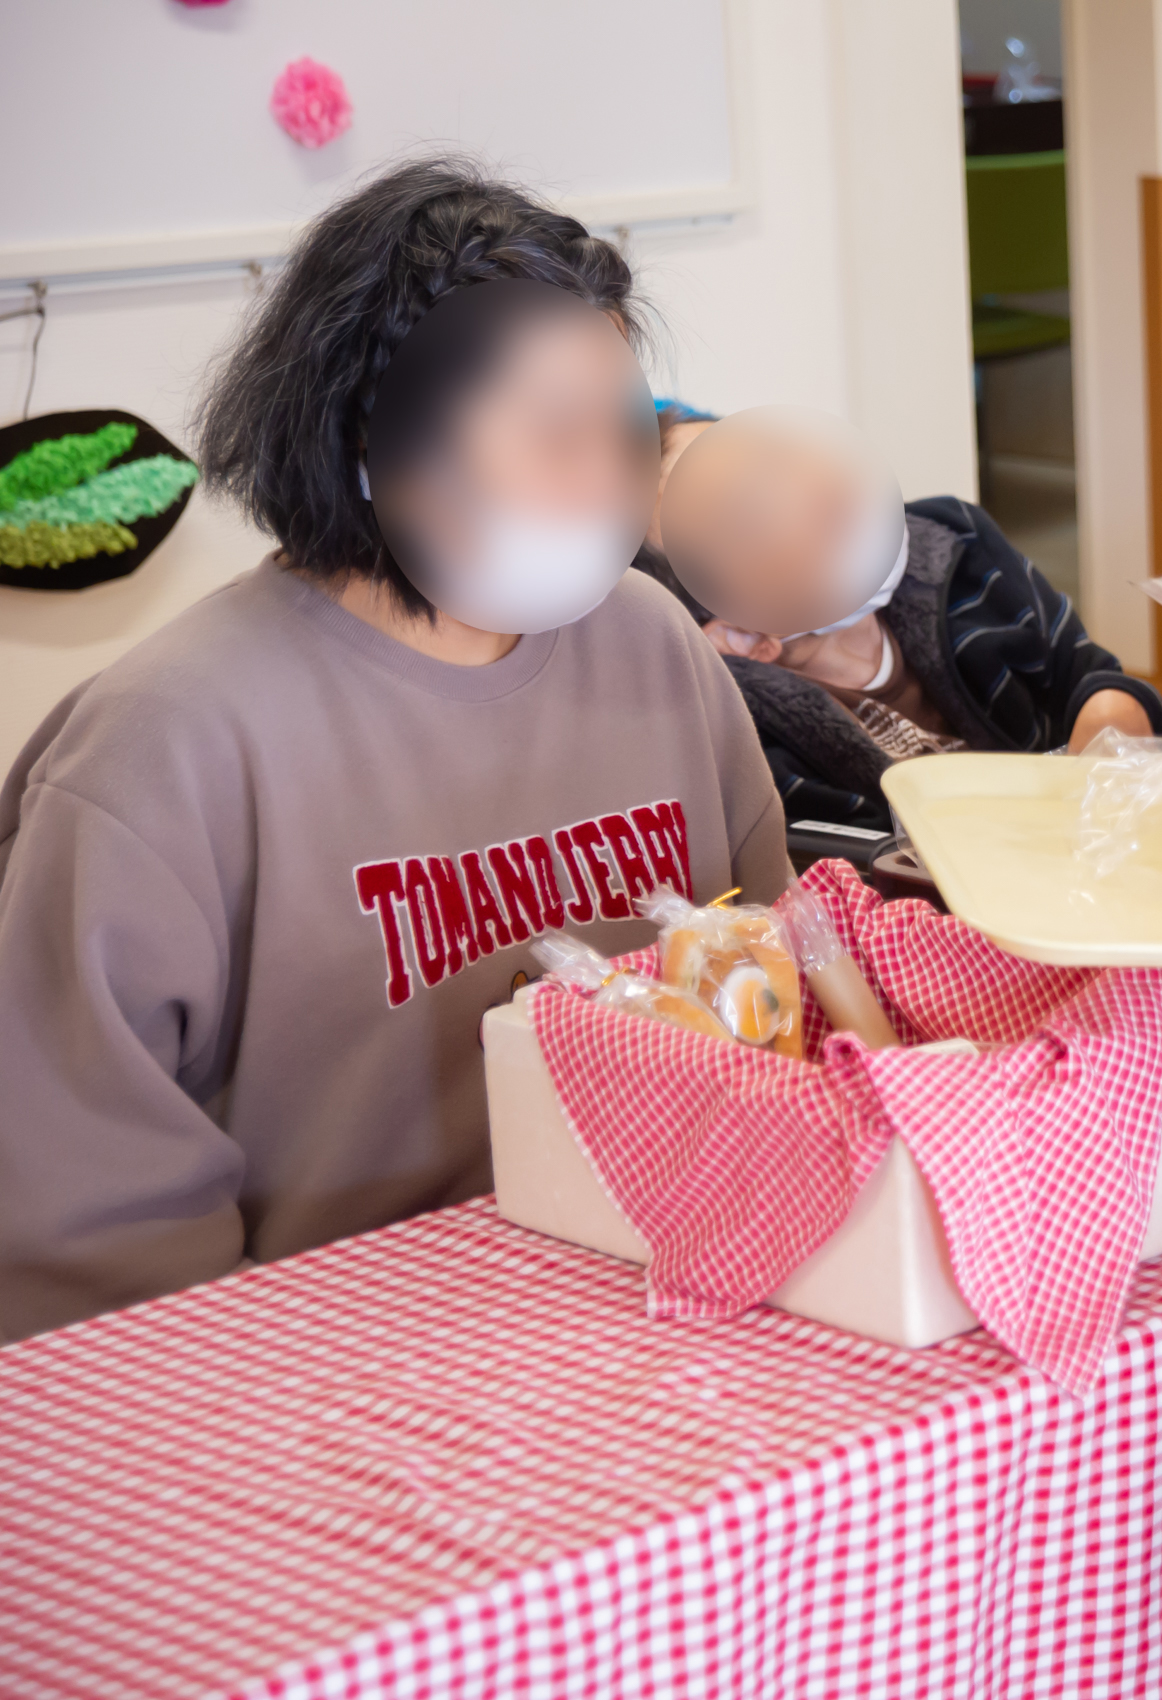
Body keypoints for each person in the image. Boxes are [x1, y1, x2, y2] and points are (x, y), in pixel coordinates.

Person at [0, 160, 791, 1340]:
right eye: (552, 435)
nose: (603, 485)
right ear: (371, 441)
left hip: (664, 1292)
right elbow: (90, 1238)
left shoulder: (649, 640)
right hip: (320, 1367)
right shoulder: (164, 744)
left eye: (625, 434)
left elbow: (768, 980)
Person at [643, 404, 1162, 831]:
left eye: (773, 459)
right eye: (749, 514)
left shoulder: (957, 541)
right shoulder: (752, 747)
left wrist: (1108, 716)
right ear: (740, 636)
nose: (803, 491)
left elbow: (1087, 676)